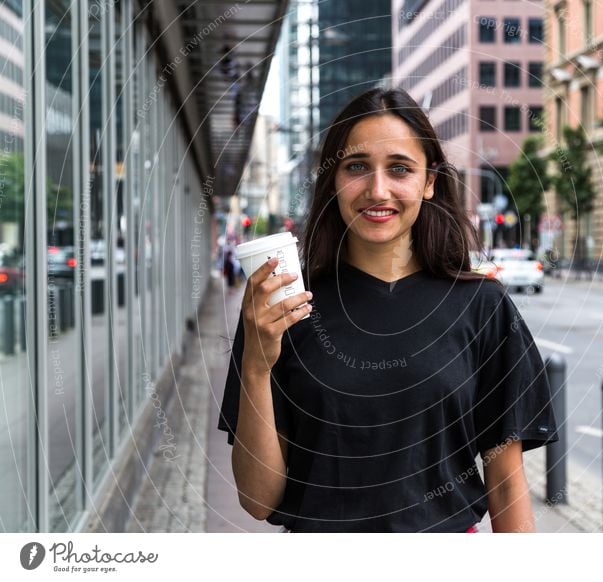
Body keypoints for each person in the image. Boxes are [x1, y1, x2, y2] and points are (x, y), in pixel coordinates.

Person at [217, 88, 558, 533]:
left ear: (429, 182)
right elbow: (258, 500)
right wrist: (257, 366)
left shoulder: (481, 307)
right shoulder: (282, 308)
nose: (378, 191)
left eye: (400, 169)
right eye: (356, 167)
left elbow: (508, 489)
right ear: (333, 180)